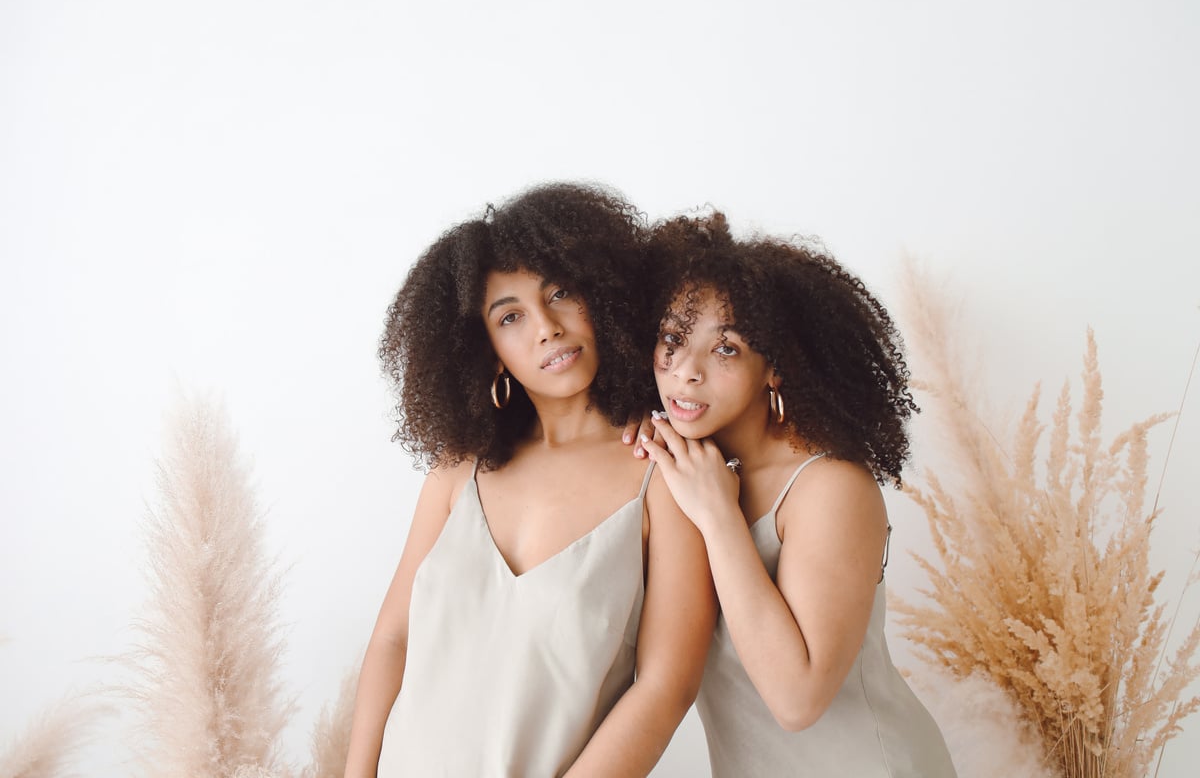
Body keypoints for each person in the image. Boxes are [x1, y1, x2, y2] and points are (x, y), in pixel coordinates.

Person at [343, 183, 717, 778]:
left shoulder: (666, 475)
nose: (546, 327)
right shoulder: (456, 468)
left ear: (603, 300)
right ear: (487, 350)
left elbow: (667, 687)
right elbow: (392, 640)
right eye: (510, 316)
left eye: (561, 293)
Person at [639, 212, 956, 777]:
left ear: (775, 370)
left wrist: (717, 516)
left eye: (727, 349)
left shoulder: (830, 486)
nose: (686, 371)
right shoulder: (688, 467)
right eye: (673, 338)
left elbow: (797, 699)